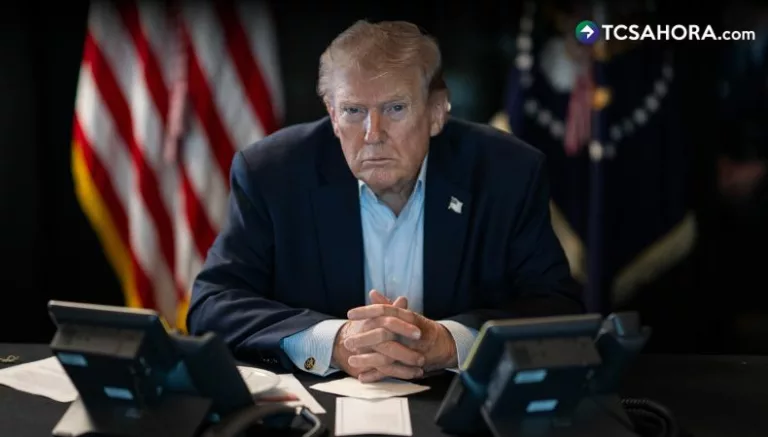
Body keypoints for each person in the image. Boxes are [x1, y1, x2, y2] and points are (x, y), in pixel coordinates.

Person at [186, 20, 583, 382]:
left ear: (436, 111)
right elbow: (213, 304)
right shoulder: (271, 173)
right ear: (332, 115)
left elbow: (558, 307)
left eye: (395, 108)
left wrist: (451, 342)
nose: (372, 134)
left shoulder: (507, 172)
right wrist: (332, 341)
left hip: (457, 404)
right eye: (353, 110)